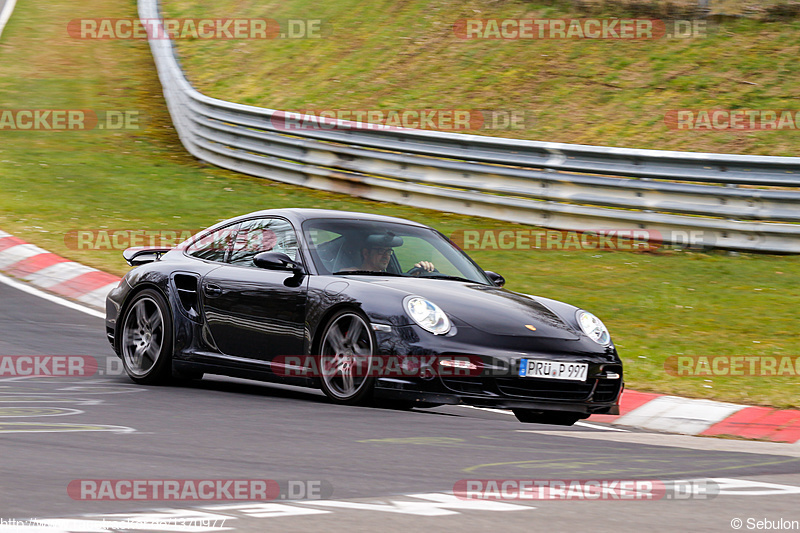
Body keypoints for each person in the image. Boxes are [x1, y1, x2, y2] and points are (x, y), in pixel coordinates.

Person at [344, 232, 435, 274]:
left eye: (388, 251)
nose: (386, 255)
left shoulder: (389, 278)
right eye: (381, 251)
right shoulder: (350, 273)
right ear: (366, 253)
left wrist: (415, 275)